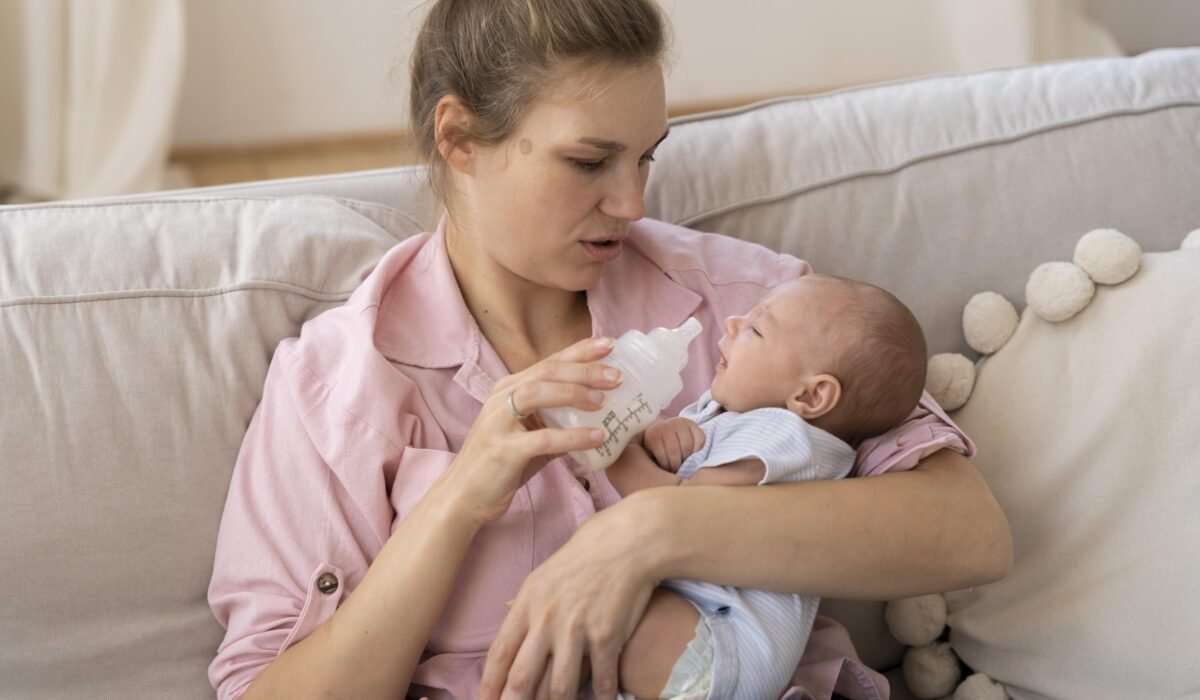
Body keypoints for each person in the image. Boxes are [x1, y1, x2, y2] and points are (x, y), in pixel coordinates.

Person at [206, 1, 1013, 699]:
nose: (631, 202)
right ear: (459, 138)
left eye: (646, 156)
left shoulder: (750, 310)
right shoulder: (338, 384)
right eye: (589, 161)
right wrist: (458, 500)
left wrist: (650, 530)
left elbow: (969, 533)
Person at [602, 274, 928, 699]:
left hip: (722, 643)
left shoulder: (788, 438)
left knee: (610, 618)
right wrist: (665, 431)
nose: (733, 322)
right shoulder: (736, 412)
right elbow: (692, 467)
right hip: (700, 632)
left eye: (756, 328)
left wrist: (619, 450)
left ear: (811, 398)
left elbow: (679, 512)